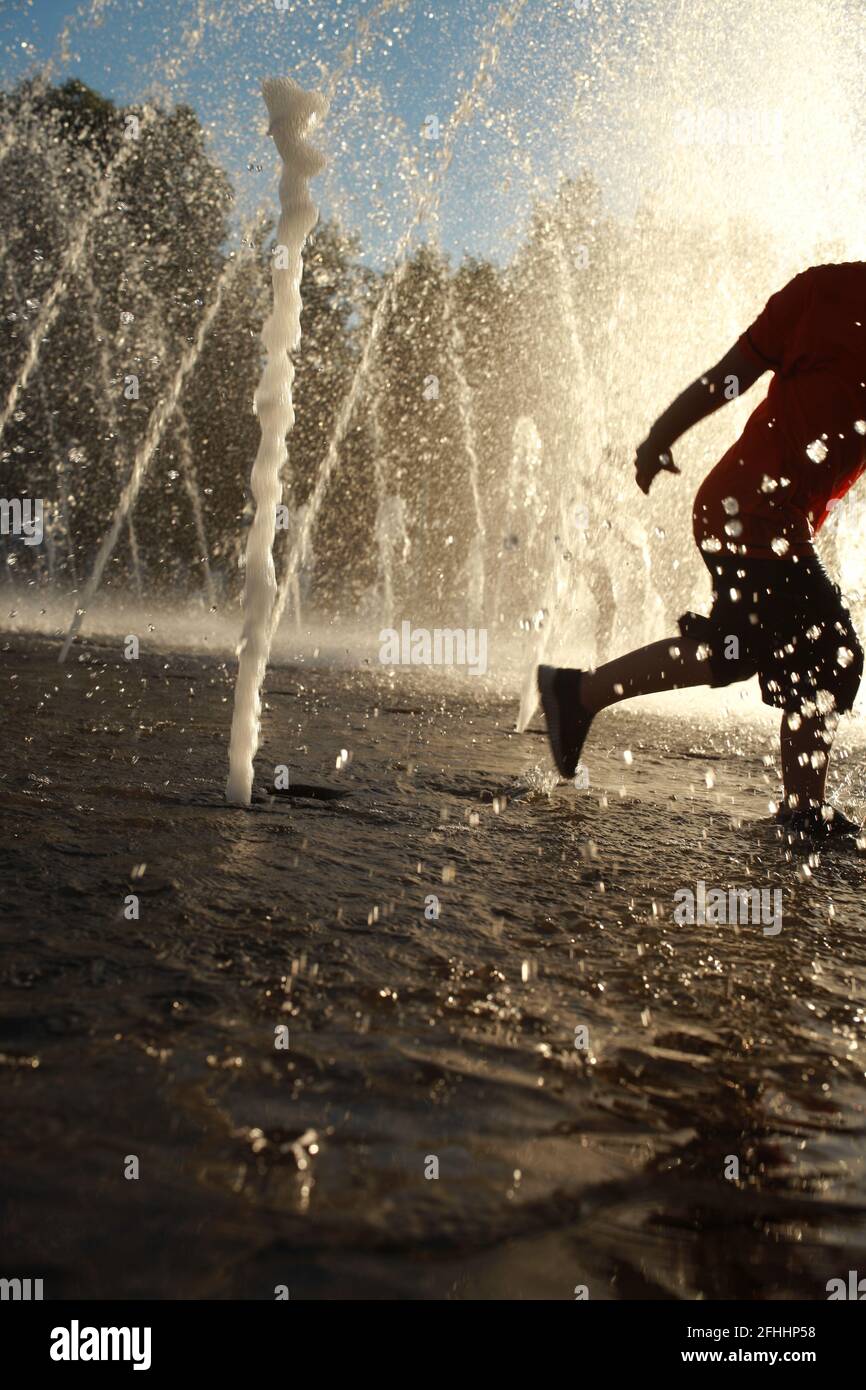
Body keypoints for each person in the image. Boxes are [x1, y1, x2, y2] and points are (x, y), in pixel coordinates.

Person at [538, 262, 866, 838]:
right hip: (751, 507)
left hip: (755, 511)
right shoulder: (823, 292)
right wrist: (658, 437)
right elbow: (731, 377)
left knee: (740, 651)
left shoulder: (822, 290)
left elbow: (739, 382)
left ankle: (579, 693)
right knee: (829, 651)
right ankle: (802, 815)